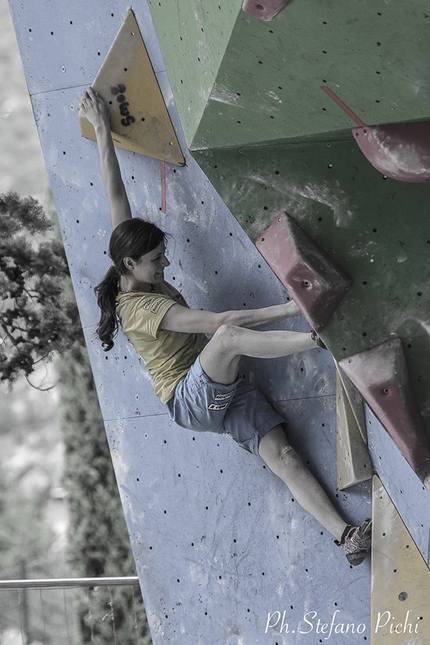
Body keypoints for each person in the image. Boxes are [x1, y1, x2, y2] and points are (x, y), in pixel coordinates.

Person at [79, 87, 371, 566]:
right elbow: (222, 324)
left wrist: (101, 129)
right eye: (156, 261)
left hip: (219, 387)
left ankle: (347, 539)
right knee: (229, 338)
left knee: (285, 458)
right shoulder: (139, 310)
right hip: (189, 398)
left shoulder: (124, 256)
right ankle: (322, 342)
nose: (166, 264)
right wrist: (290, 307)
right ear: (130, 263)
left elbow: (115, 192)